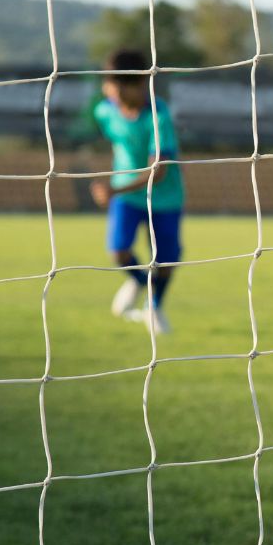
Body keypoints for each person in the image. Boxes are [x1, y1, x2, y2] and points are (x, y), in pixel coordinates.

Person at [90, 49, 184, 334]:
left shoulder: (158, 115)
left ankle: (153, 307)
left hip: (164, 196)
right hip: (128, 196)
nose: (113, 92)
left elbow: (160, 170)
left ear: (139, 85)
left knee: (166, 261)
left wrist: (115, 188)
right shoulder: (104, 111)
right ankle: (141, 285)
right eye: (109, 85)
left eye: (119, 87)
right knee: (118, 251)